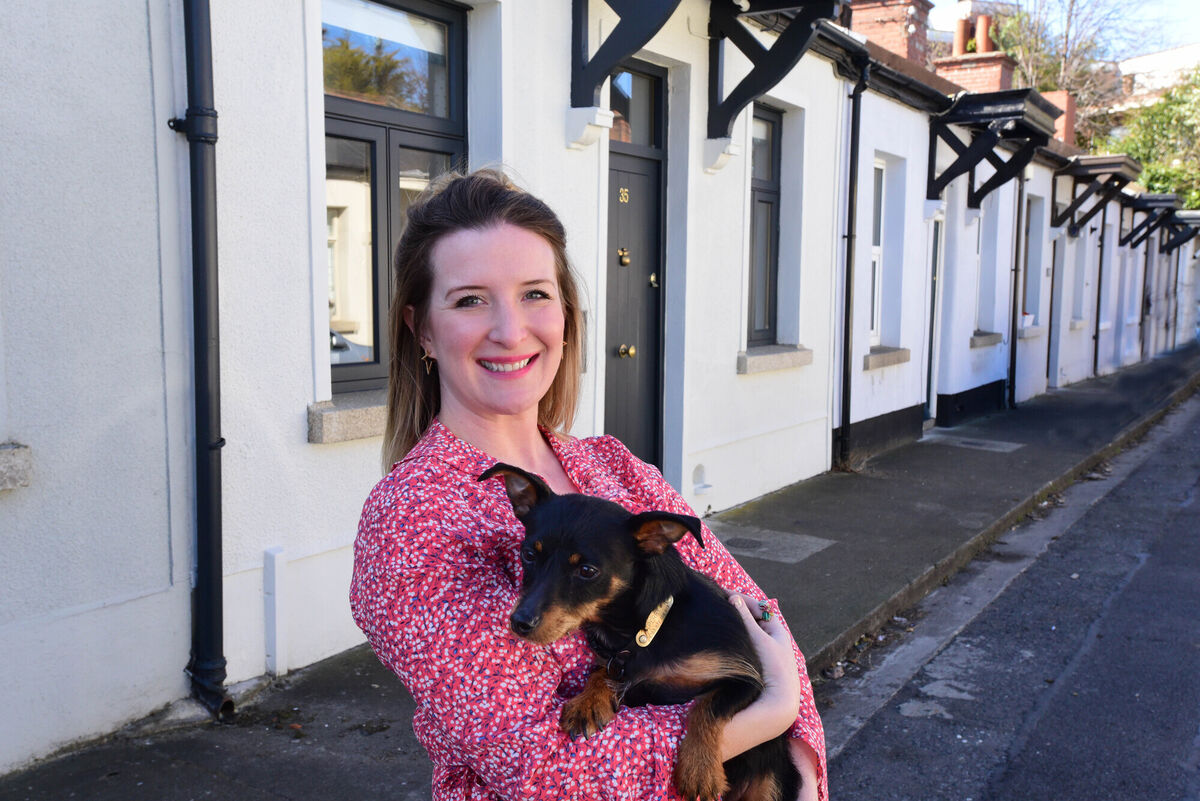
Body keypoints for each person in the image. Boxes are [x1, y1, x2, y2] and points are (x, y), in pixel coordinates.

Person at [350, 168, 826, 800]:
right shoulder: (413, 519)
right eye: (470, 299)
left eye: (535, 294)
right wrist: (767, 710)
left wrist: (795, 746)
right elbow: (546, 772)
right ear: (422, 329)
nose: (511, 330)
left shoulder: (613, 467)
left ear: (566, 316)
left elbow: (757, 616)